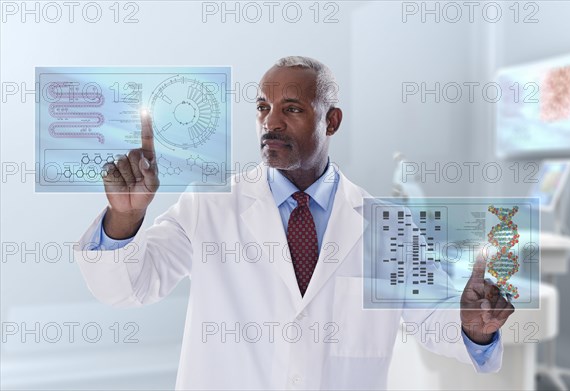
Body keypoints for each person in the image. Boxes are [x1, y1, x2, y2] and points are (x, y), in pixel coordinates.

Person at [75, 56, 514, 390]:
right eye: (263, 107)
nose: (271, 122)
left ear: (332, 120)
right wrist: (125, 218)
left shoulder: (388, 226)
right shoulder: (208, 207)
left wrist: (471, 328)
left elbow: (433, 321)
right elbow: (128, 289)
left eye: (292, 109)